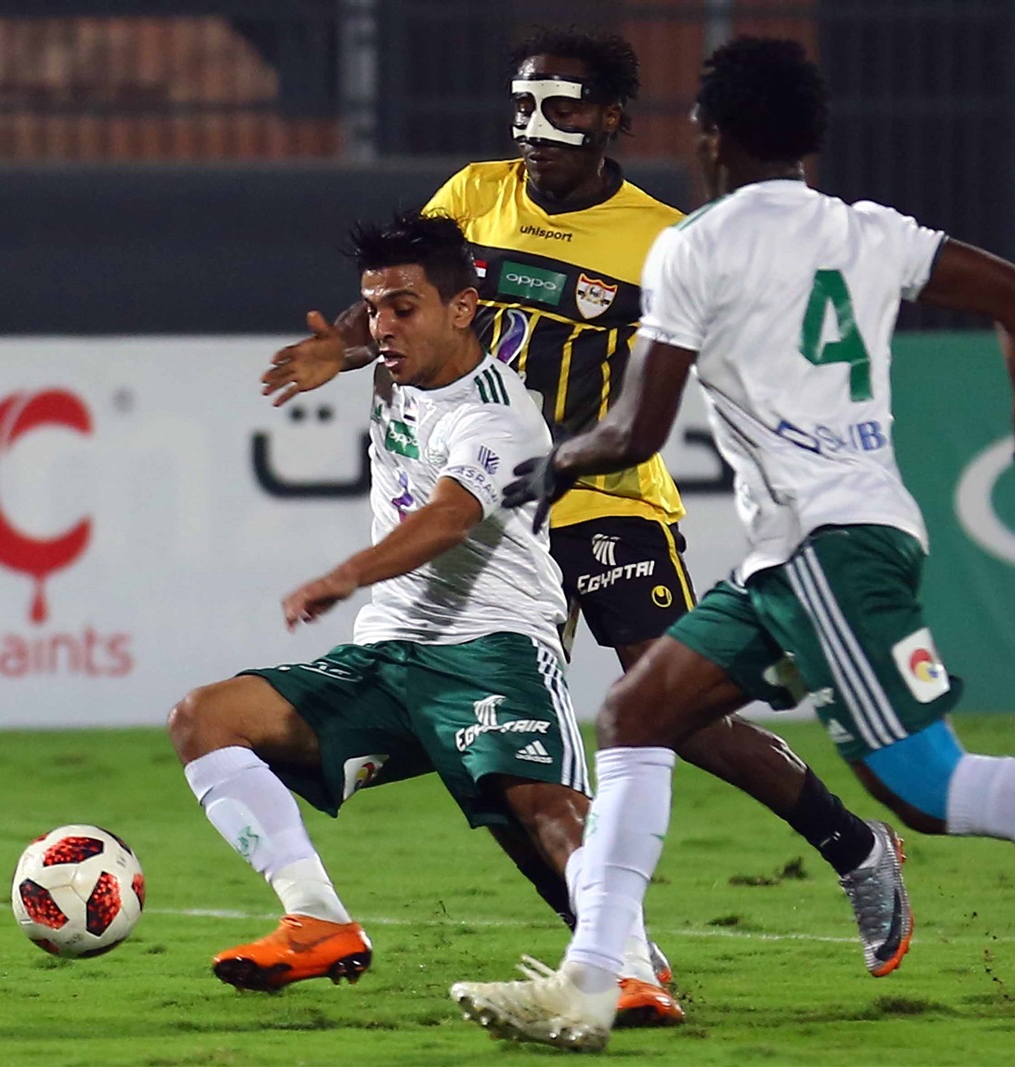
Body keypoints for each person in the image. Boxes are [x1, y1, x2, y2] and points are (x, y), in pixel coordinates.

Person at [449, 37, 1015, 1052]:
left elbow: (635, 430)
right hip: (800, 547)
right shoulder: (867, 230)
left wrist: (558, 460)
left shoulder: (693, 247)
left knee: (930, 789)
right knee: (637, 712)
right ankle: (592, 982)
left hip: (829, 545)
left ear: (709, 136)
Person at [261, 28, 910, 979]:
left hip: (601, 497)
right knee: (504, 742)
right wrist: (347, 346)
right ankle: (611, 948)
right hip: (492, 506)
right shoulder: (473, 196)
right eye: (523, 106)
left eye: (561, 107)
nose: (536, 127)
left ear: (610, 117)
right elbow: (404, 295)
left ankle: (856, 846)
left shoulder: (660, 239)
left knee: (671, 704)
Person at [167, 211, 681, 1024]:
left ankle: (632, 969)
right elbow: (376, 342)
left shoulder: (500, 413)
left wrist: (345, 575)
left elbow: (448, 518)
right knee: (205, 717)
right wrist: (341, 349)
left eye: (403, 308)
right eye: (373, 308)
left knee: (546, 810)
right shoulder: (393, 369)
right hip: (387, 659)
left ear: (464, 308)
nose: (382, 326)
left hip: (494, 650)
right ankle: (317, 920)